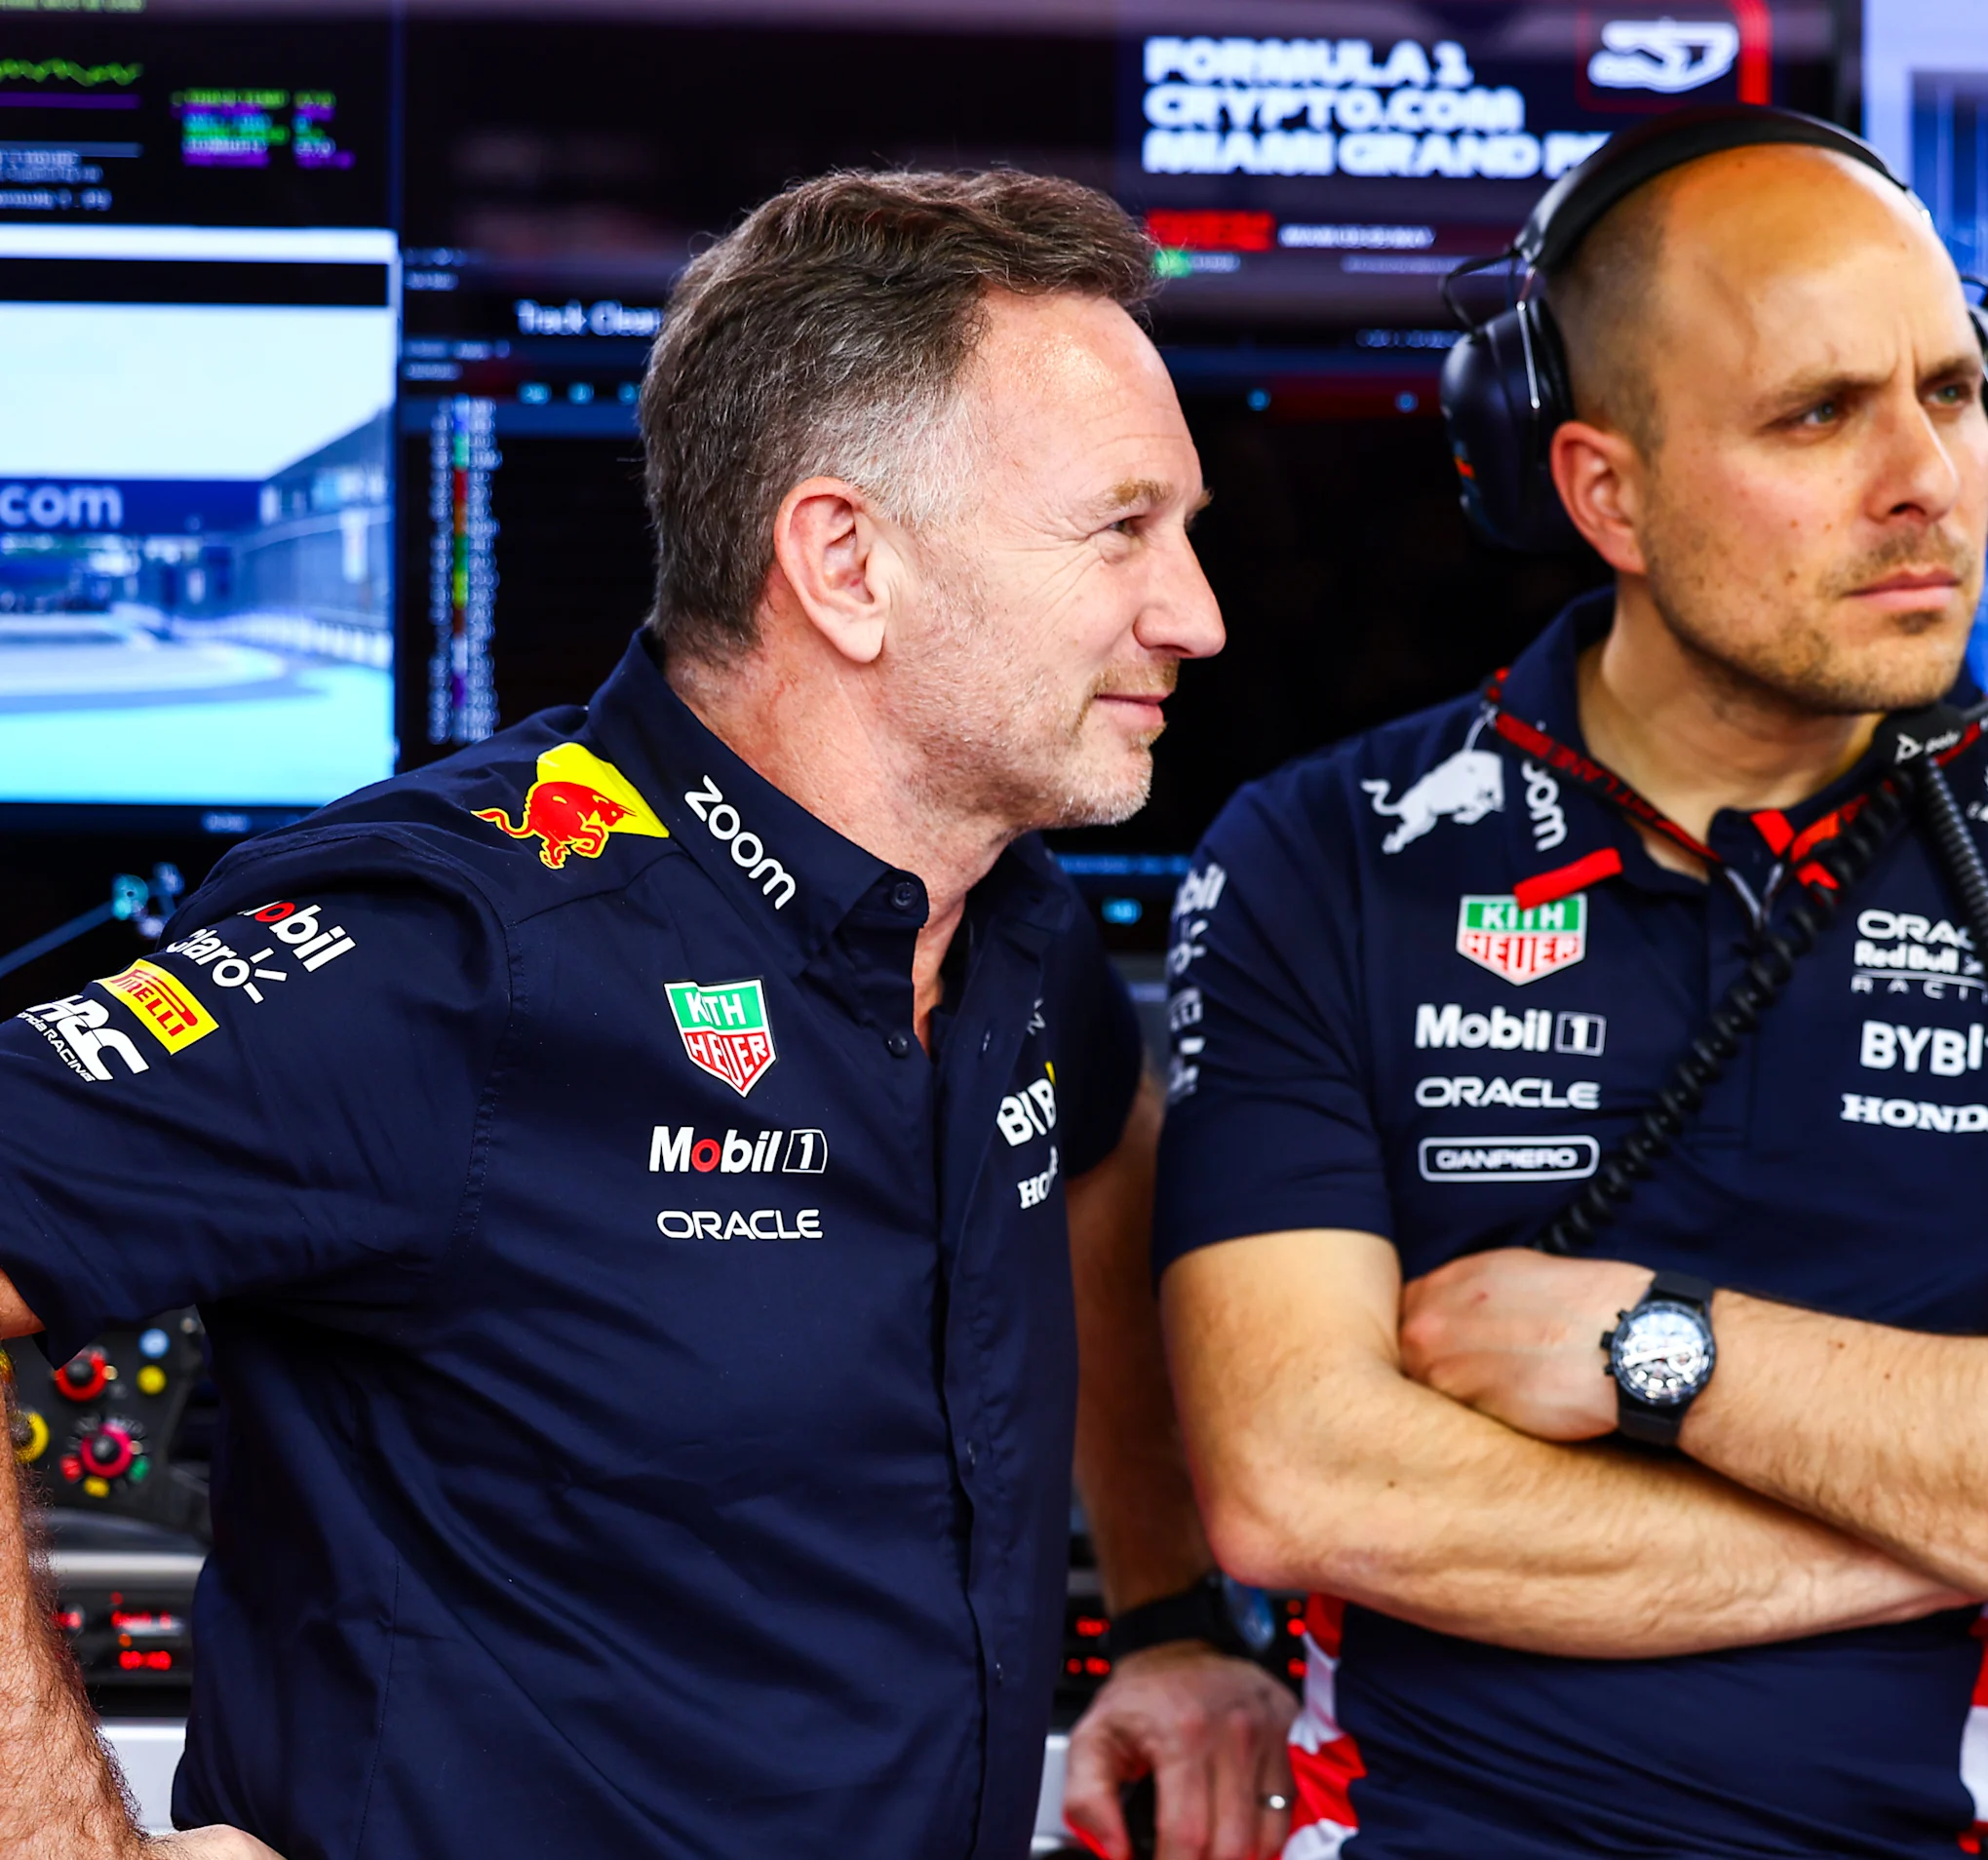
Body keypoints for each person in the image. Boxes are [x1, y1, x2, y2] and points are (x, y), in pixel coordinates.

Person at [0, 169, 1292, 1860]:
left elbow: (1104, 1149)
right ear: (844, 562)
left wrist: (1171, 1617)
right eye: (1123, 529)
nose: (1194, 612)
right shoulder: (450, 946)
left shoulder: (1017, 932)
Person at [1150, 110, 1988, 1859]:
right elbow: (1299, 1485)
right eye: (1818, 413)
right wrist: (1986, 1488)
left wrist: (1654, 1350)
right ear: (1599, 490)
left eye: (1951, 388)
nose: (1931, 475)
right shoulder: (1319, 860)